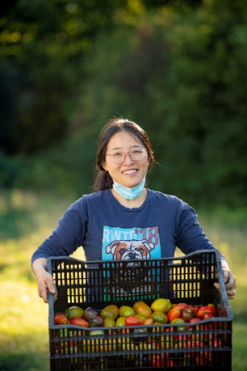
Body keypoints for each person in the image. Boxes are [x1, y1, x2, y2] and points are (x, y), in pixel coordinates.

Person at [31, 118, 236, 303]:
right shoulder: (86, 209)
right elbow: (47, 252)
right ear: (104, 163)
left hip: (160, 326)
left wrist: (223, 271)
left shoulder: (174, 210)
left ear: (148, 157)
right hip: (101, 330)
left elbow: (207, 255)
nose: (128, 161)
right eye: (117, 154)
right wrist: (41, 272)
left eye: (136, 151)